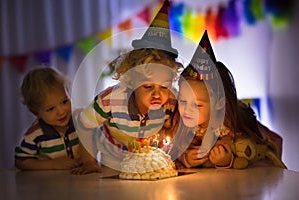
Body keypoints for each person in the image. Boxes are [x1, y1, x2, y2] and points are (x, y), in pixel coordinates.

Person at [71, 0, 183, 175]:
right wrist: (90, 161)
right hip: (114, 163)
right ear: (131, 80)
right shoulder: (109, 101)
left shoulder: (171, 100)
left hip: (152, 166)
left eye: (164, 87)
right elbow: (85, 126)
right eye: (147, 86)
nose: (157, 94)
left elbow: (173, 130)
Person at [171, 30, 285, 169]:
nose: (187, 109)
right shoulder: (179, 124)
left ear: (218, 104)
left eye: (197, 105)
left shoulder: (232, 127)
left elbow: (257, 160)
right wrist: (185, 158)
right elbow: (172, 151)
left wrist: (228, 161)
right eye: (183, 101)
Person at [14, 67, 82, 170]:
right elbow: (20, 161)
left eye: (64, 101)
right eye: (50, 109)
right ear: (36, 112)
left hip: (81, 180)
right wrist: (52, 164)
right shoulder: (35, 134)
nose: (61, 111)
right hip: (50, 183)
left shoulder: (81, 119)